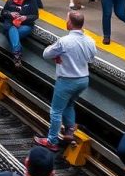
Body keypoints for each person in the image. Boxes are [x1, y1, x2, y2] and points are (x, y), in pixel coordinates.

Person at [35, 11, 96, 151]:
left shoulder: (64, 41)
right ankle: (69, 131)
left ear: (69, 23)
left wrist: (60, 55)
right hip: (83, 80)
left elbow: (46, 54)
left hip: (67, 81)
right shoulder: (90, 41)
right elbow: (91, 59)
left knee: (56, 111)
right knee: (69, 104)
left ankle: (52, 141)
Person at [1, 0, 38, 68]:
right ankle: (17, 52)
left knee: (11, 34)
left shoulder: (31, 1)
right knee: (12, 29)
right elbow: (3, 13)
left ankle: (16, 53)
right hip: (11, 24)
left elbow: (35, 15)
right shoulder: (10, 0)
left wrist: (26, 17)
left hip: (25, 25)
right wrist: (10, 14)